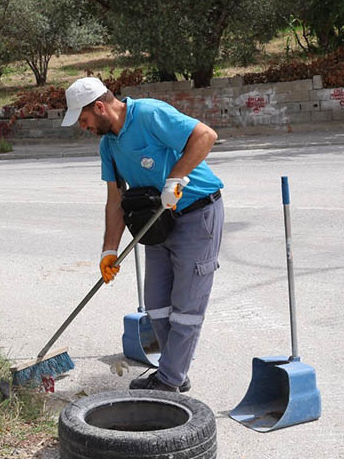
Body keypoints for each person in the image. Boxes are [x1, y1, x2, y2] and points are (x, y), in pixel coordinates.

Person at [61, 77, 224, 393]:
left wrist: (175, 178)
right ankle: (174, 369)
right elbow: (114, 200)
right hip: (157, 220)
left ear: (99, 107)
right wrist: (109, 251)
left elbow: (206, 136)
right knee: (157, 303)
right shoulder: (108, 145)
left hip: (197, 213)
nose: (83, 127)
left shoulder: (149, 114)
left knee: (186, 306)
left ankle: (169, 379)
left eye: (84, 120)